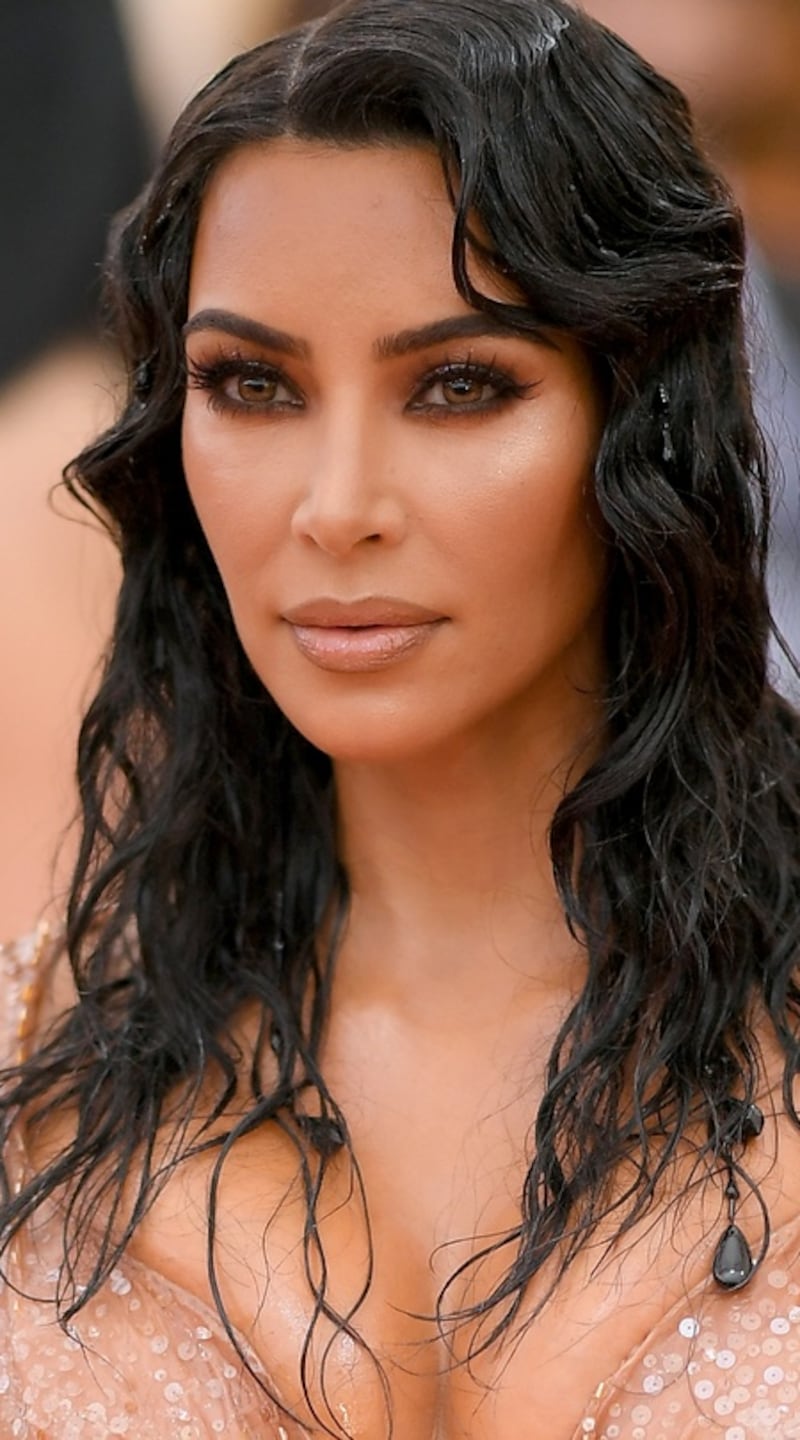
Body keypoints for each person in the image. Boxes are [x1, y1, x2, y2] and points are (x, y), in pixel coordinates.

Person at [1, 1, 799, 1435]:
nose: (336, 507)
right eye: (252, 386)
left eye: (457, 386)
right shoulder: (38, 1050)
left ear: (642, 423)